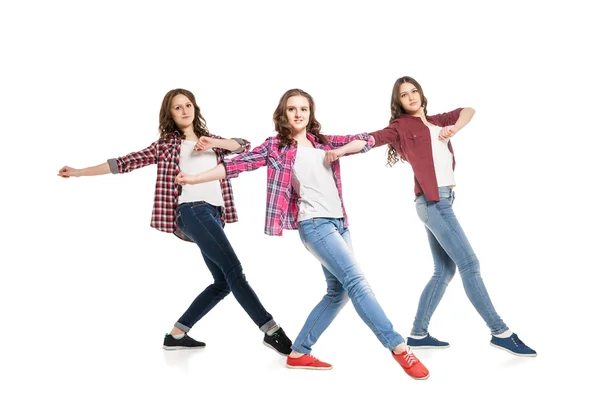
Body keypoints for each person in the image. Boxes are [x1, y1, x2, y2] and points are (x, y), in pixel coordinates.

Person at [176, 89, 430, 379]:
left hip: (339, 223)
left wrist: (366, 141)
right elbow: (235, 165)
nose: (298, 114)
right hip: (314, 225)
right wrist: (195, 177)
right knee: (357, 282)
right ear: (283, 114)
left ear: (311, 114)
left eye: (304, 109)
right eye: (292, 109)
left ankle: (299, 352)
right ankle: (398, 347)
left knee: (338, 293)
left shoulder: (323, 142)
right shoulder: (276, 147)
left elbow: (361, 141)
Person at [57, 88, 292, 355]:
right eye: (177, 107)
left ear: (195, 108)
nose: (184, 111)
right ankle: (271, 331)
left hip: (214, 214)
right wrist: (78, 173)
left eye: (188, 105)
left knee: (223, 281)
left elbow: (243, 145)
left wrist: (214, 143)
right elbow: (123, 163)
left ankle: (177, 334)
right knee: (234, 269)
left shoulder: (211, 140)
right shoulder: (167, 144)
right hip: (192, 211)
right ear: (169, 113)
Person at [367, 76, 536, 357]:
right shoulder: (401, 126)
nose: (410, 97)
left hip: (440, 202)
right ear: (397, 102)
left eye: (414, 91)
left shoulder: (435, 121)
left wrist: (454, 128)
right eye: (404, 94)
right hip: (434, 203)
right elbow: (374, 138)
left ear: (421, 93)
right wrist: (339, 146)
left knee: (444, 270)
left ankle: (418, 334)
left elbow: (468, 110)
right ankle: (501, 332)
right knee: (470, 264)